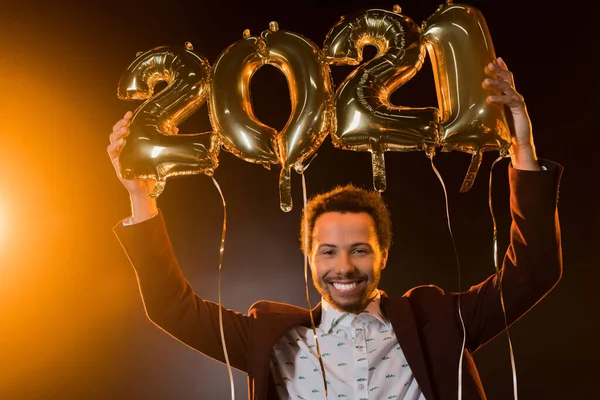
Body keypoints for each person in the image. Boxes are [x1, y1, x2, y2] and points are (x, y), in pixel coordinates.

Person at [107, 58, 563, 399]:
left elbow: (534, 271)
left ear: (383, 253)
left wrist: (522, 146)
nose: (343, 266)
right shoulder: (272, 340)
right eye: (328, 251)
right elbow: (171, 307)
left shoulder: (440, 322)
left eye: (359, 250)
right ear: (309, 255)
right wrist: (139, 195)